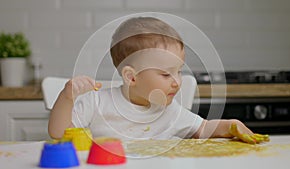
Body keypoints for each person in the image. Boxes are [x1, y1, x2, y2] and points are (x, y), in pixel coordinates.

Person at [48, 17, 269, 144]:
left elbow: (204, 128)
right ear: (131, 77)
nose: (177, 82)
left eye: (179, 71)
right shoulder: (97, 103)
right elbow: (57, 133)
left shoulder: (169, 111)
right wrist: (66, 98)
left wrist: (231, 126)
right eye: (166, 74)